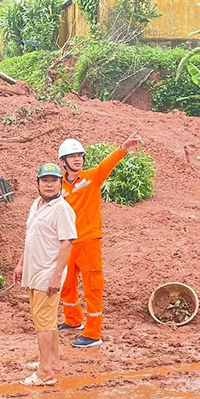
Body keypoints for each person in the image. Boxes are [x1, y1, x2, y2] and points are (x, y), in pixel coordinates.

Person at [57, 134, 144, 348]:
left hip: (89, 241)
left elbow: (108, 164)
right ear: (63, 162)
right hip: (67, 243)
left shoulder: (92, 177)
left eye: (80, 155)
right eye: (72, 156)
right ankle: (73, 320)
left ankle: (93, 333)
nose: (77, 159)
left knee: (92, 287)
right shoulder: (58, 187)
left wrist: (123, 148)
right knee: (66, 285)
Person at [13, 163, 77, 386]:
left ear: (61, 183)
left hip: (47, 274)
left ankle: (44, 372)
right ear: (38, 183)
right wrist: (21, 264)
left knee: (42, 323)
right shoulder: (36, 205)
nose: (49, 184)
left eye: (54, 180)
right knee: (47, 321)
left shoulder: (62, 209)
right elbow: (30, 236)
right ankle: (53, 361)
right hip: (34, 271)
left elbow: (67, 243)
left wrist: (56, 276)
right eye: (45, 180)